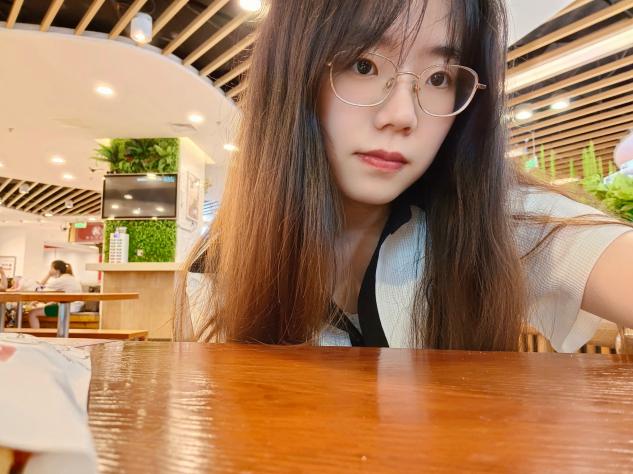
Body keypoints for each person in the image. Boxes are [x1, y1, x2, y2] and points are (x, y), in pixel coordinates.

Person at [175, 0, 633, 352]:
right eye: (363, 65)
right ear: (293, 74)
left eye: (439, 78)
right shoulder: (213, 273)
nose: (402, 115)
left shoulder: (494, 222)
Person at [27, 260, 82, 329]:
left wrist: (48, 275)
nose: (49, 270)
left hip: (68, 308)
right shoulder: (70, 278)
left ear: (57, 270)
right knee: (47, 306)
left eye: (51, 268)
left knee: (32, 313)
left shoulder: (61, 280)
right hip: (75, 306)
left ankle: (36, 334)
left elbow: (39, 289)